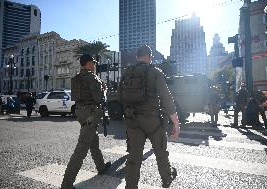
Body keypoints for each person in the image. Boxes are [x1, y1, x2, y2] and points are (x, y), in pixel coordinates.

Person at [121, 45, 180, 189]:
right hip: (152, 120)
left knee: (133, 158)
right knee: (160, 153)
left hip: (132, 120)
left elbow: (120, 96)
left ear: (137, 57)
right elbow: (166, 98)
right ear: (149, 56)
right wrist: (176, 124)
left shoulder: (126, 72)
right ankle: (166, 179)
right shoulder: (155, 72)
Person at [61, 54, 111, 189]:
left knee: (93, 143)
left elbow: (77, 97)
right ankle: (66, 184)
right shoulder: (91, 77)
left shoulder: (77, 78)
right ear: (87, 64)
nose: (94, 65)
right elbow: (99, 98)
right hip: (91, 114)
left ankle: (101, 167)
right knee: (80, 151)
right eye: (92, 63)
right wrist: (104, 90)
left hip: (81, 113)